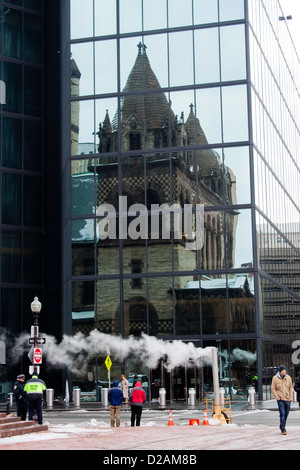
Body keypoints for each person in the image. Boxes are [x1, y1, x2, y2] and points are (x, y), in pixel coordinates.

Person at [271, 365, 293, 435]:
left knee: (286, 413)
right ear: (280, 371)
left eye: (285, 370)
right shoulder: (275, 378)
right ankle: (283, 429)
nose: (284, 371)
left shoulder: (288, 378)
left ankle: (281, 425)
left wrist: (290, 398)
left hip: (287, 398)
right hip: (280, 398)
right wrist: (277, 397)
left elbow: (290, 388)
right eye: (283, 370)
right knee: (282, 414)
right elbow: (273, 388)